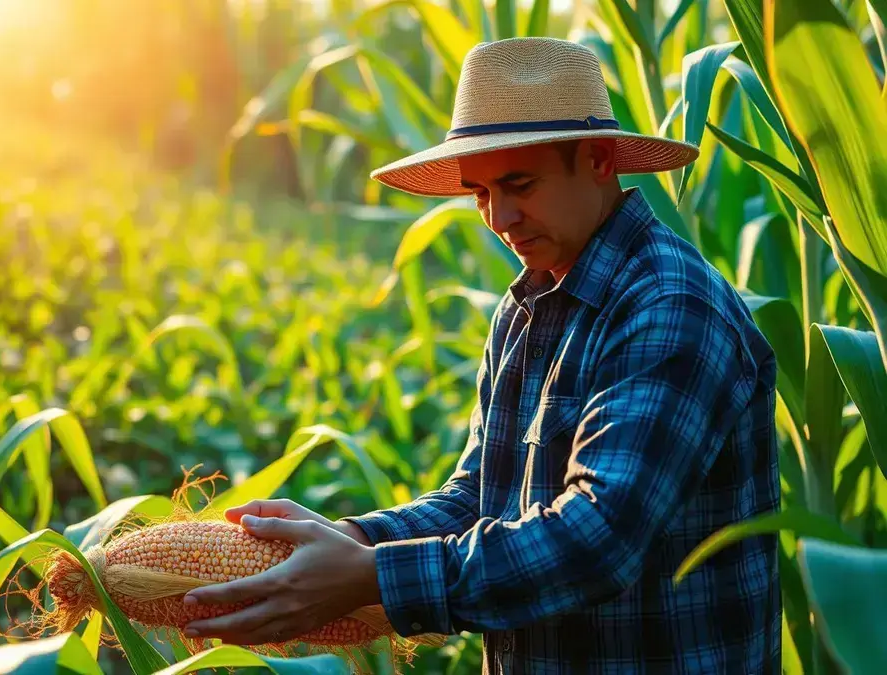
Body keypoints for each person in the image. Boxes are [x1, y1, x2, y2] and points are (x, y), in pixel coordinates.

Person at [180, 37, 782, 674]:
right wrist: (354, 540)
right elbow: (478, 498)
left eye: (520, 184)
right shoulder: (528, 304)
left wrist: (372, 578)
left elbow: (598, 538)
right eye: (480, 192)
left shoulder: (668, 305)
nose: (499, 218)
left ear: (600, 159)